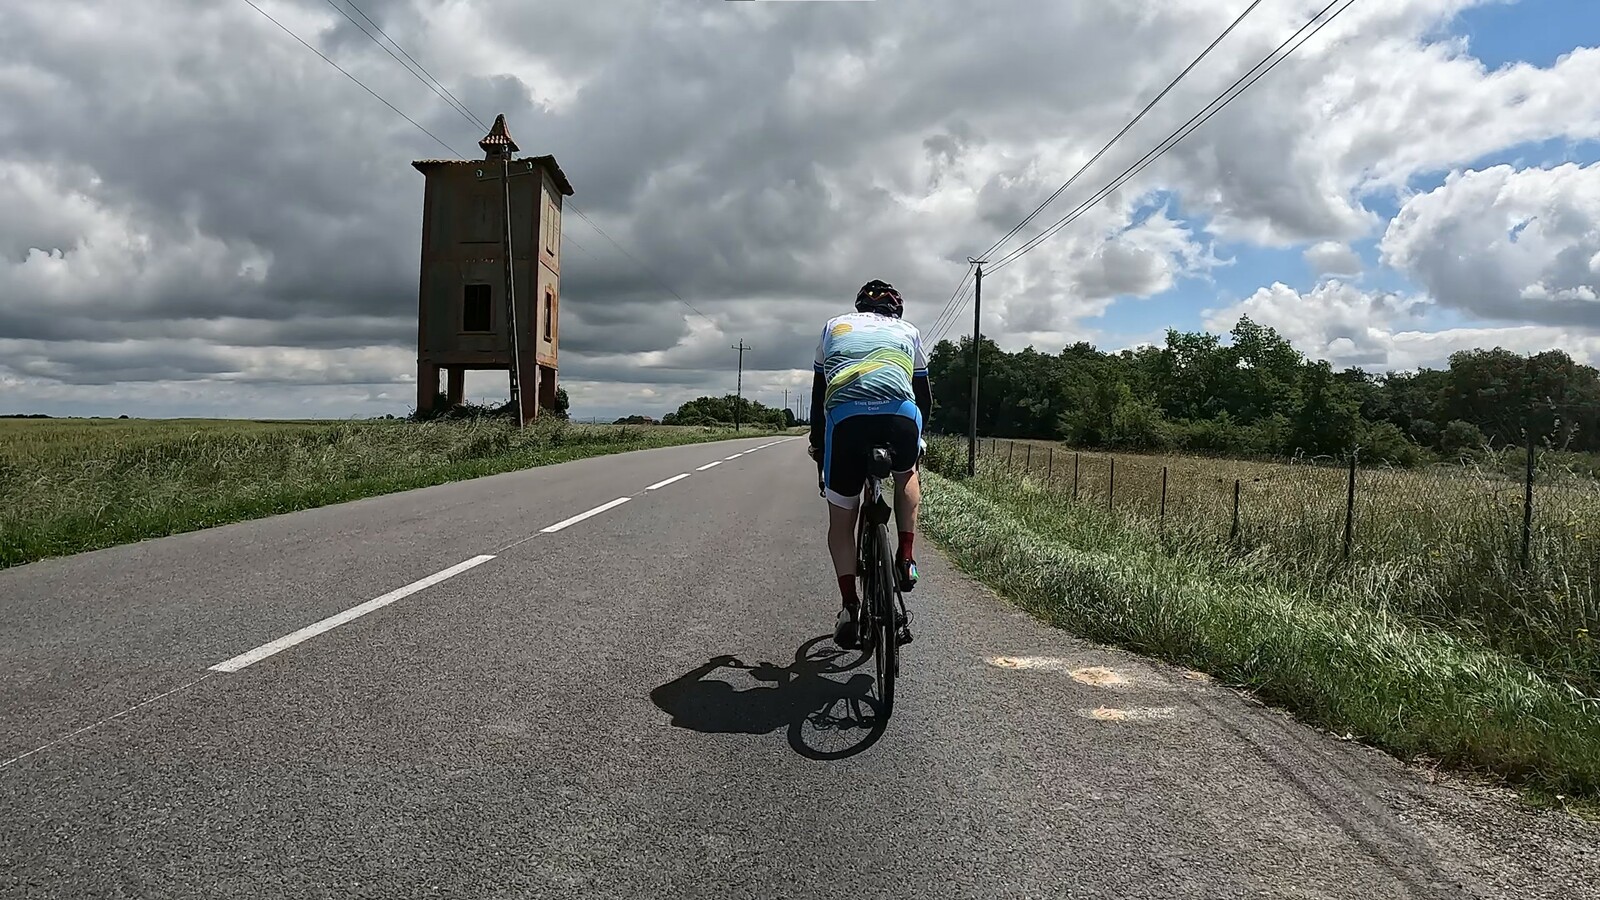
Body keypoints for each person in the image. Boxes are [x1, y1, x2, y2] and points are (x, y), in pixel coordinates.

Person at [807, 279, 931, 649]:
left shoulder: (833, 326)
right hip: (900, 416)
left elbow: (819, 395)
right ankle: (906, 558)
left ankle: (850, 606)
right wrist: (918, 438)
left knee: (841, 520)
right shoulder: (909, 331)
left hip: (847, 421)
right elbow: (924, 397)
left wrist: (818, 445)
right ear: (896, 311)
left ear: (859, 308)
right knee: (907, 473)